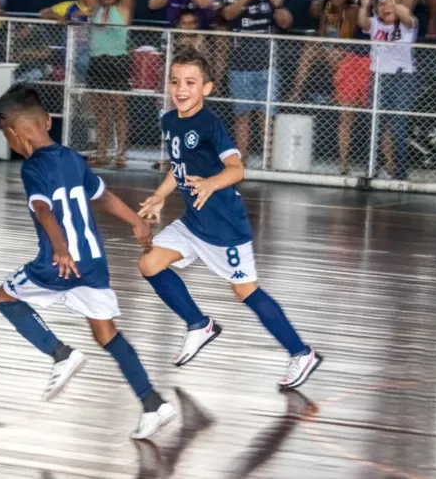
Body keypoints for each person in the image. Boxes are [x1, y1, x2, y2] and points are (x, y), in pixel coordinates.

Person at [0, 85, 177, 439]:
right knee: (107, 333)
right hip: (93, 263)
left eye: (6, 137)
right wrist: (136, 222)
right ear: (47, 120)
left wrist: (60, 249)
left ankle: (60, 352)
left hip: (59, 263)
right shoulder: (73, 158)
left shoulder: (32, 168)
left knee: (5, 297)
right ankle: (153, 403)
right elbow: (103, 197)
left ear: (14, 134)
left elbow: (43, 210)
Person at [137, 47, 322, 390]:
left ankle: (301, 352)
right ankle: (198, 324)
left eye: (191, 82)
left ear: (206, 88)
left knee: (245, 291)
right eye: (176, 81)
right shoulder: (168, 120)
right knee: (149, 263)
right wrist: (161, 195)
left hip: (224, 226)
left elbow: (237, 170)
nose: (181, 89)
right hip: (193, 222)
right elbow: (178, 167)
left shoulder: (211, 124)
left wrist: (210, 182)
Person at [290, 0, 370, 175]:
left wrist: (335, 13)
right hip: (329, 47)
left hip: (347, 50)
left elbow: (346, 33)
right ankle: (296, 91)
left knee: (335, 53)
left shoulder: (352, 10)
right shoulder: (327, 10)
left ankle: (338, 90)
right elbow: (323, 33)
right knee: (309, 48)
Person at [220, 0, 292, 164]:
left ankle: (268, 161)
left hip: (268, 66)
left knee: (267, 116)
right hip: (240, 66)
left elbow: (286, 23)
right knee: (242, 116)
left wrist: (278, 5)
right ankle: (241, 162)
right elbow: (227, 14)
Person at [357, 0, 419, 181]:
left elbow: (406, 16)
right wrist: (365, 6)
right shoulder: (375, 22)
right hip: (379, 77)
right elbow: (363, 23)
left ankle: (401, 170)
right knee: (375, 123)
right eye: (382, 5)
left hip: (402, 77)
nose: (386, 8)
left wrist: (394, 2)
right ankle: (372, 167)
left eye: (389, 5)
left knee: (399, 125)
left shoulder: (408, 23)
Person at [81, 0, 136, 168]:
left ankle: (121, 154)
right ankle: (102, 152)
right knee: (100, 112)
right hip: (97, 62)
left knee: (120, 110)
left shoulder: (122, 10)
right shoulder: (95, 9)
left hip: (117, 62)